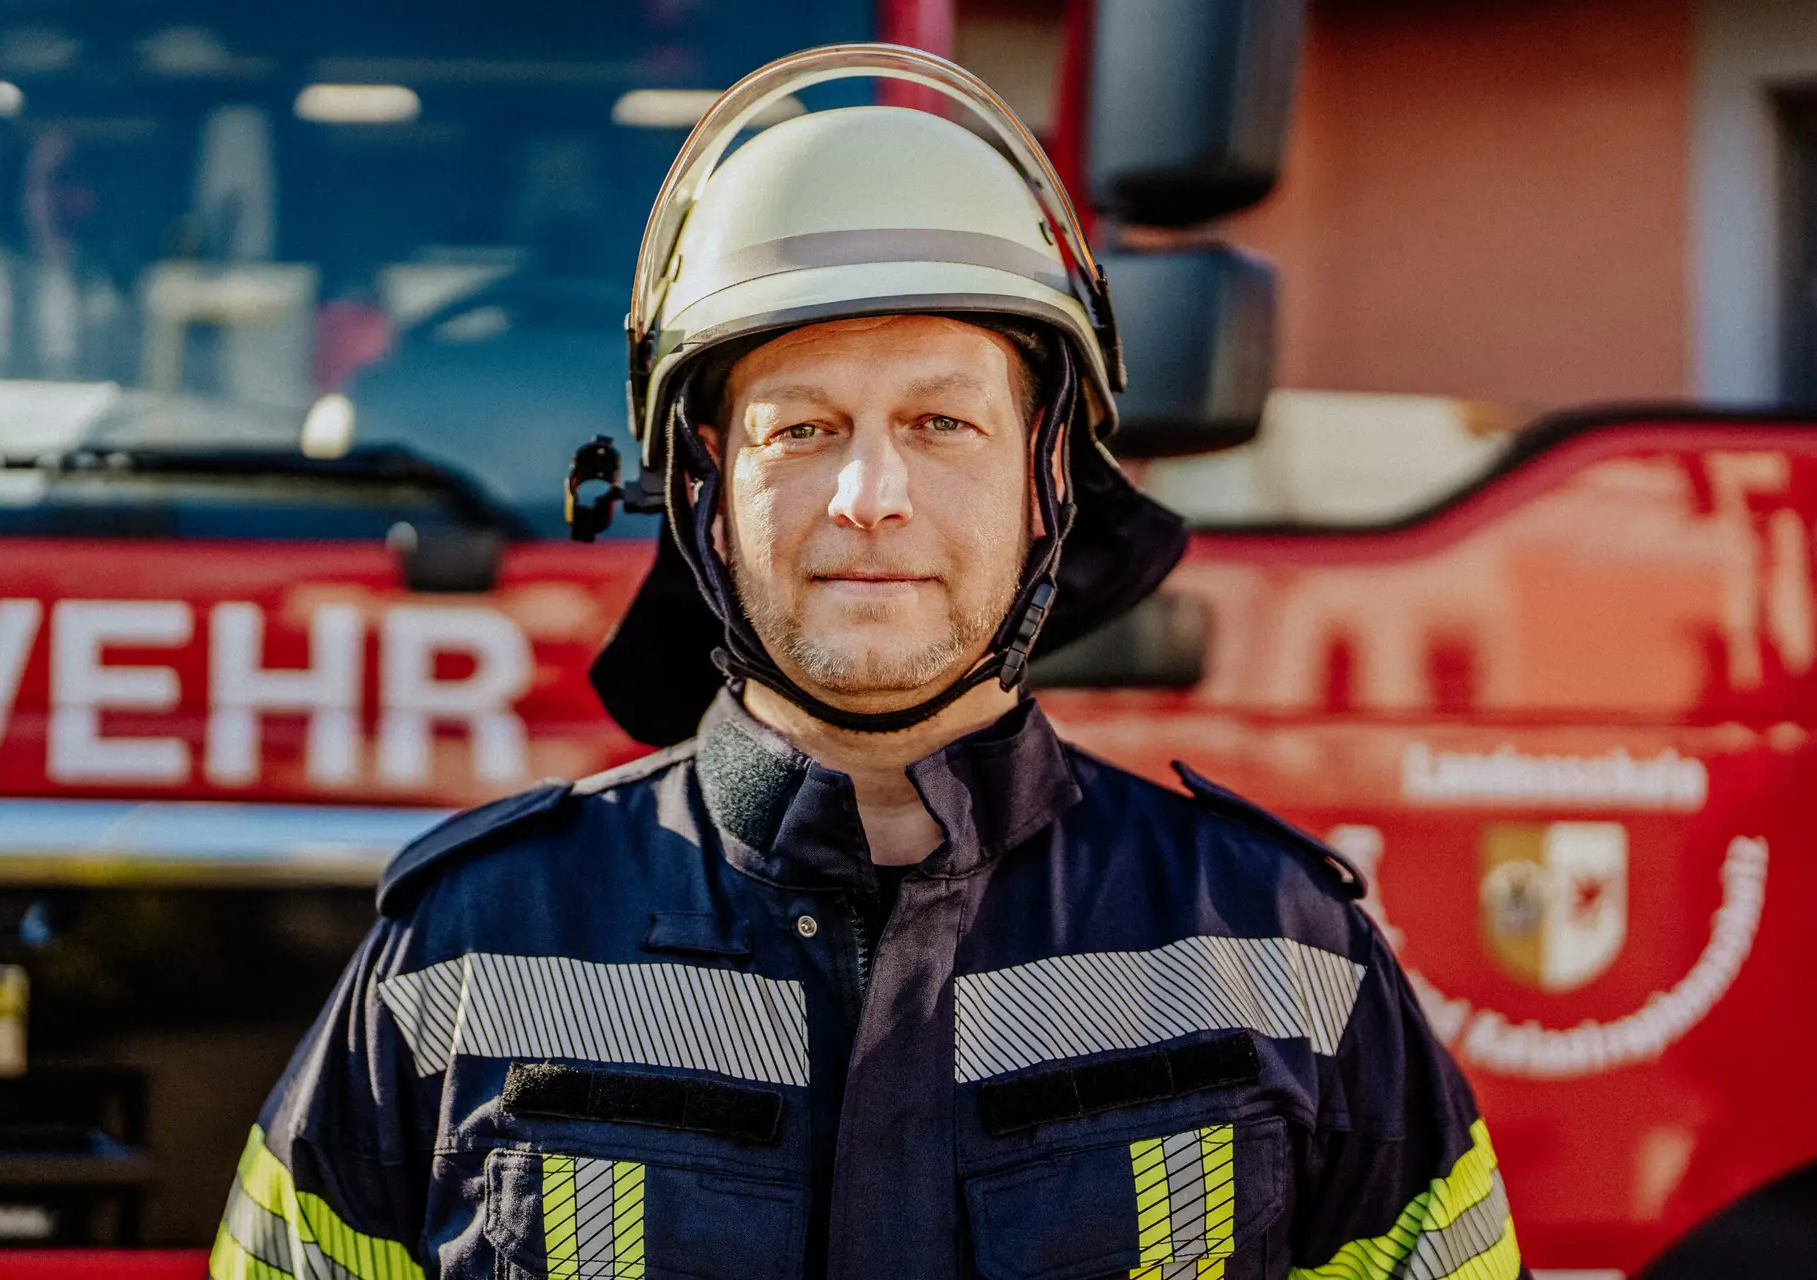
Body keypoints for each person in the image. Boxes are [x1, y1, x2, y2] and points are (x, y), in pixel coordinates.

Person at [209, 46, 1526, 1280]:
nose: (870, 494)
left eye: (942, 420)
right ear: (705, 491)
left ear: (1045, 477)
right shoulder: (464, 956)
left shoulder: (1281, 953)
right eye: (804, 428)